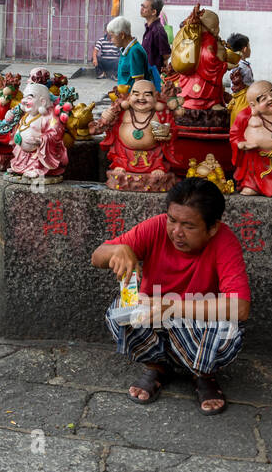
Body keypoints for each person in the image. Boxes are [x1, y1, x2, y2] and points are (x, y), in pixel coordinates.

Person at [90, 177, 250, 415]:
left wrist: (172, 307)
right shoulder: (155, 227)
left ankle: (203, 375)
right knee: (118, 313)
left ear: (212, 227)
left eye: (189, 226)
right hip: (153, 317)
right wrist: (117, 249)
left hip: (195, 322)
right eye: (172, 220)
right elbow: (97, 257)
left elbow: (240, 308)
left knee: (228, 334)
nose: (177, 232)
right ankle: (157, 368)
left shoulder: (224, 240)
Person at [106, 16, 148, 90]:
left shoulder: (134, 51)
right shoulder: (126, 49)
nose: (111, 40)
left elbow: (138, 82)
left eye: (112, 36)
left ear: (122, 35)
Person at [140, 0, 170, 88]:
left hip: (154, 77)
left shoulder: (158, 30)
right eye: (142, 6)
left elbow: (166, 54)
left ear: (153, 12)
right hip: (146, 74)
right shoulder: (149, 28)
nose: (141, 9)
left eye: (144, 7)